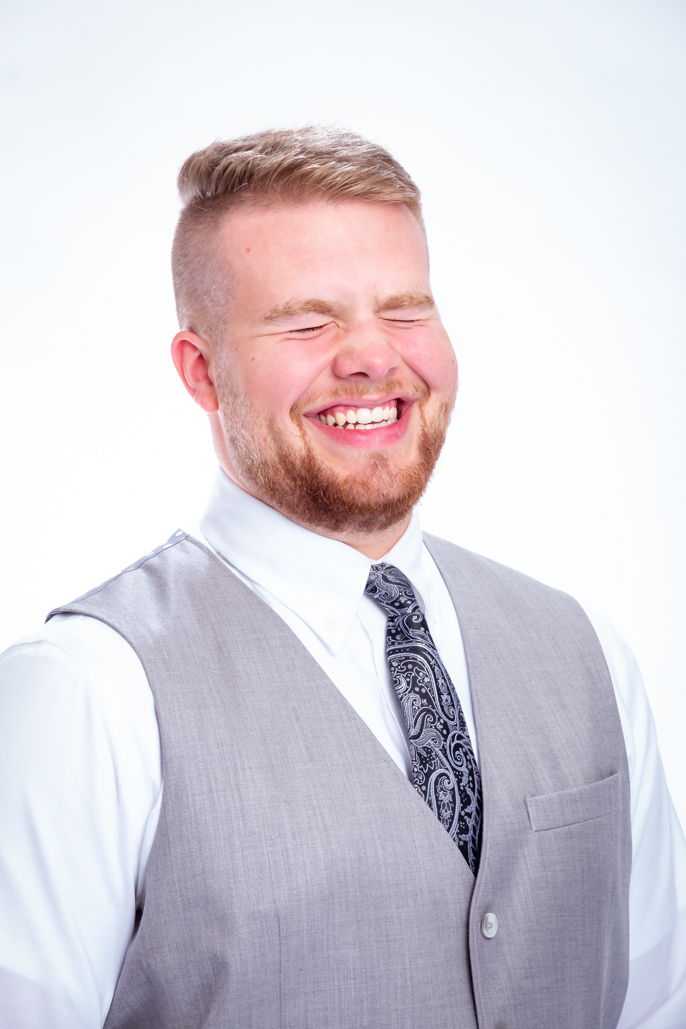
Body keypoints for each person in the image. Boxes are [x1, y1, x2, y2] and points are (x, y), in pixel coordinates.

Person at [0, 127, 684, 1029]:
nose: (372, 356)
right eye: (307, 321)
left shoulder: (585, 654)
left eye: (404, 310)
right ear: (202, 372)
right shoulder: (86, 693)